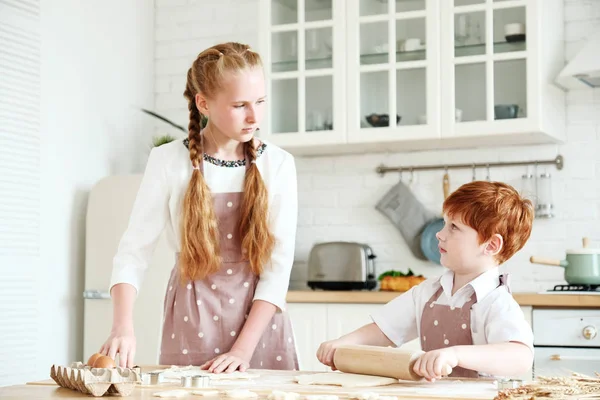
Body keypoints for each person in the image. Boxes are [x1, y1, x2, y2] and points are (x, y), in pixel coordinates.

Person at [100, 42, 299, 373]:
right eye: (240, 105)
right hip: (192, 319)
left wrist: (242, 351)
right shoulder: (167, 161)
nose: (254, 116)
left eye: (260, 102)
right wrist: (122, 326)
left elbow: (278, 269)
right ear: (204, 103)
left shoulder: (278, 164)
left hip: (259, 325)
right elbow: (133, 253)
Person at [317, 181, 535, 381]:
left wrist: (456, 355)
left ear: (490, 246)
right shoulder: (428, 291)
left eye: (454, 227)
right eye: (444, 224)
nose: (439, 234)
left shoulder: (496, 301)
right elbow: (385, 330)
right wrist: (344, 343)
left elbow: (520, 357)